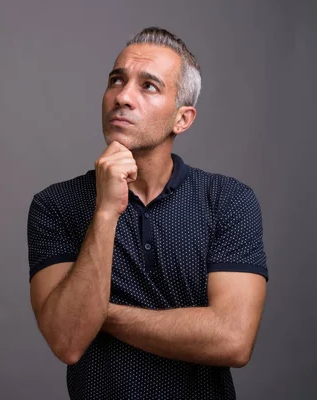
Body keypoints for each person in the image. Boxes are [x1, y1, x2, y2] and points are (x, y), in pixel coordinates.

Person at [26, 27, 268, 399]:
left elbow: (233, 340)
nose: (122, 97)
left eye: (148, 86)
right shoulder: (55, 205)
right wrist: (106, 211)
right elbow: (68, 340)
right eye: (116, 80)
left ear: (182, 119)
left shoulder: (227, 200)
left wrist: (102, 315)